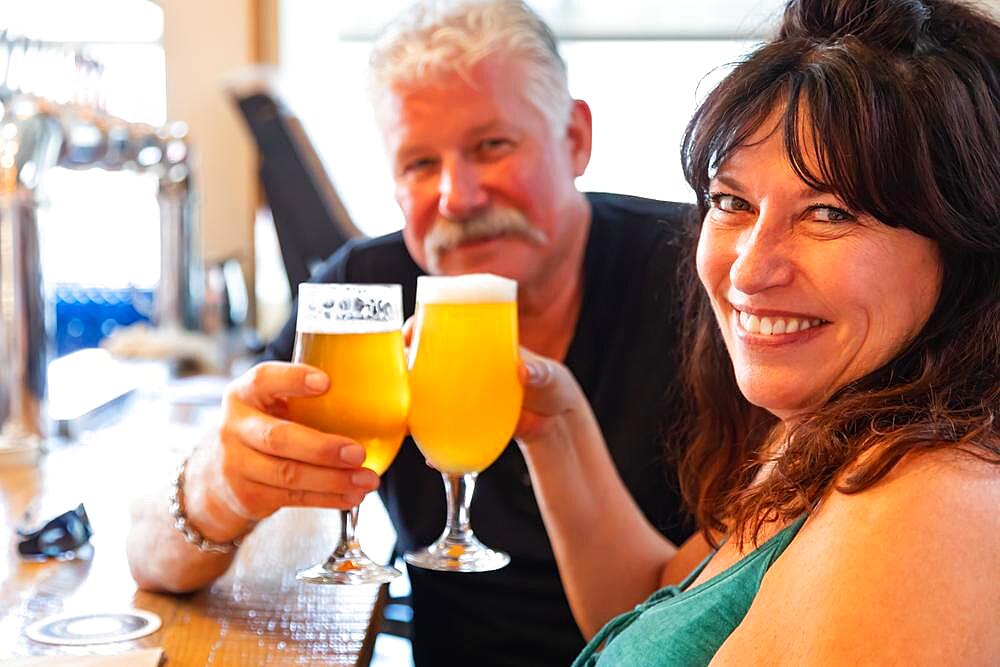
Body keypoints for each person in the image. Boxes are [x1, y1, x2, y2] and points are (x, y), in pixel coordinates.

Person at [127, 1, 695, 664]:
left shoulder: (701, 277)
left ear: (574, 138)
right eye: (420, 164)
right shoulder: (361, 296)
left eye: (493, 146)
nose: (457, 196)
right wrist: (219, 486)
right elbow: (148, 551)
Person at [514, 0, 1000, 663]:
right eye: (732, 202)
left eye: (828, 211)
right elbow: (672, 616)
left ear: (966, 243)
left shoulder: (926, 506)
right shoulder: (830, 429)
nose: (750, 267)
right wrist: (556, 425)